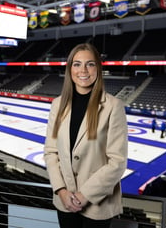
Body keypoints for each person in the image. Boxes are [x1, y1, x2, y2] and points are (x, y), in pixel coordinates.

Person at [43, 43, 128, 228]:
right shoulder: (58, 105)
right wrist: (61, 190)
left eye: (90, 64)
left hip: (98, 205)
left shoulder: (113, 106)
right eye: (77, 64)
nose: (83, 70)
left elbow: (117, 162)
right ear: (70, 69)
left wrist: (85, 195)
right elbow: (50, 152)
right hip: (64, 202)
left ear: (98, 68)